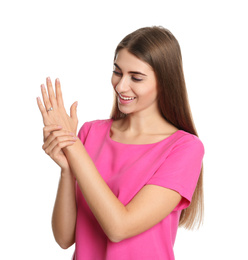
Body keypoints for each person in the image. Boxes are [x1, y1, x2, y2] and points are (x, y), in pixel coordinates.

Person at [37, 26, 204, 260]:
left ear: (165, 81)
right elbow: (65, 238)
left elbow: (119, 228)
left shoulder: (184, 148)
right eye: (117, 72)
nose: (121, 86)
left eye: (136, 77)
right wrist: (66, 169)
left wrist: (73, 147)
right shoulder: (90, 133)